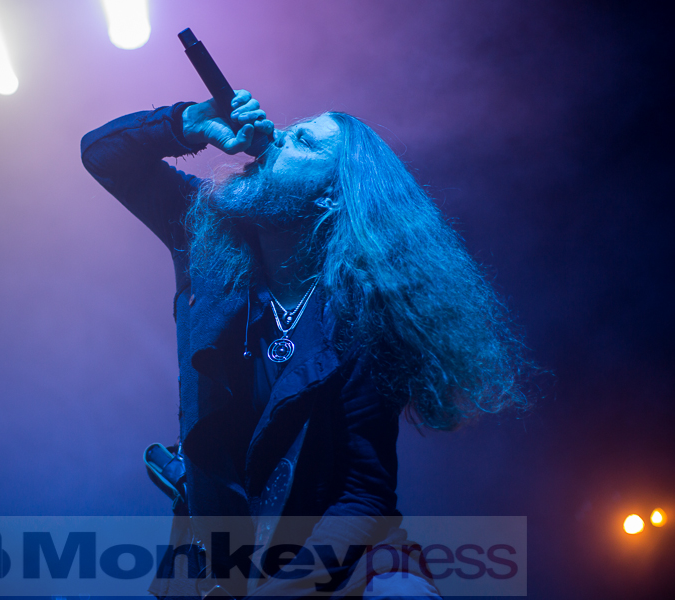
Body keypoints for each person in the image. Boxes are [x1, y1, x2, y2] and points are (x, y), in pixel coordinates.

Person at [81, 91, 533, 599]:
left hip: (331, 565)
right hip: (219, 563)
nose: (275, 137)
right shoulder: (205, 239)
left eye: (304, 142)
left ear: (331, 197)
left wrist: (274, 594)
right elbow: (102, 155)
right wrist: (192, 121)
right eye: (288, 130)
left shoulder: (365, 316)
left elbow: (364, 495)